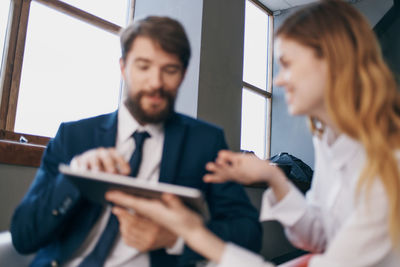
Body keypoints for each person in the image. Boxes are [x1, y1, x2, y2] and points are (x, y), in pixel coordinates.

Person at [105, 1, 400, 266]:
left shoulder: (389, 165)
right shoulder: (330, 142)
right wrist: (272, 177)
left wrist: (189, 232)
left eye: (286, 64)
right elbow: (321, 235)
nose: (279, 80)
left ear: (332, 62)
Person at [10, 16, 262, 267]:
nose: (156, 83)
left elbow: (249, 233)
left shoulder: (205, 142)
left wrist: (176, 237)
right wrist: (73, 178)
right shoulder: (74, 137)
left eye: (170, 70)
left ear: (183, 75)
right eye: (143, 66)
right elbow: (23, 237)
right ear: (123, 68)